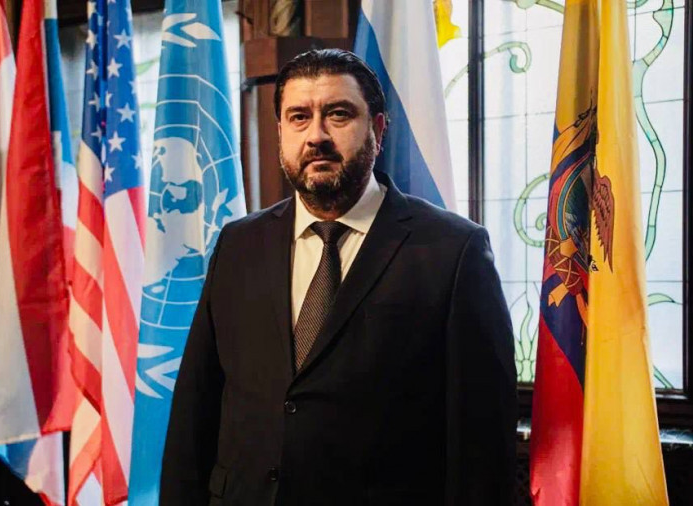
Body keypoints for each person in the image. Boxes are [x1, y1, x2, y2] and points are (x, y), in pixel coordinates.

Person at [160, 48, 517, 506]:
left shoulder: (453, 251)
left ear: (378, 129)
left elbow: (482, 448)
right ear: (280, 132)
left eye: (338, 114)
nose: (316, 136)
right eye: (299, 117)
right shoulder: (238, 244)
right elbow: (195, 409)